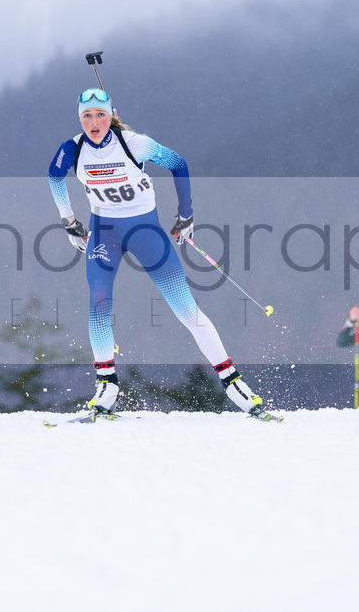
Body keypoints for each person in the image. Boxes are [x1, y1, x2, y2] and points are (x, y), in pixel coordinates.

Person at [47, 87, 278, 421]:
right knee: (99, 301)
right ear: (79, 119)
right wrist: (69, 221)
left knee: (186, 310)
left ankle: (233, 383)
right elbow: (54, 177)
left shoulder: (135, 143)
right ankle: (106, 385)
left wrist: (186, 216)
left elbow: (178, 164)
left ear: (111, 115)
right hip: (104, 234)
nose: (93, 123)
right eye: (86, 116)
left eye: (100, 115)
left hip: (146, 233)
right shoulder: (73, 148)